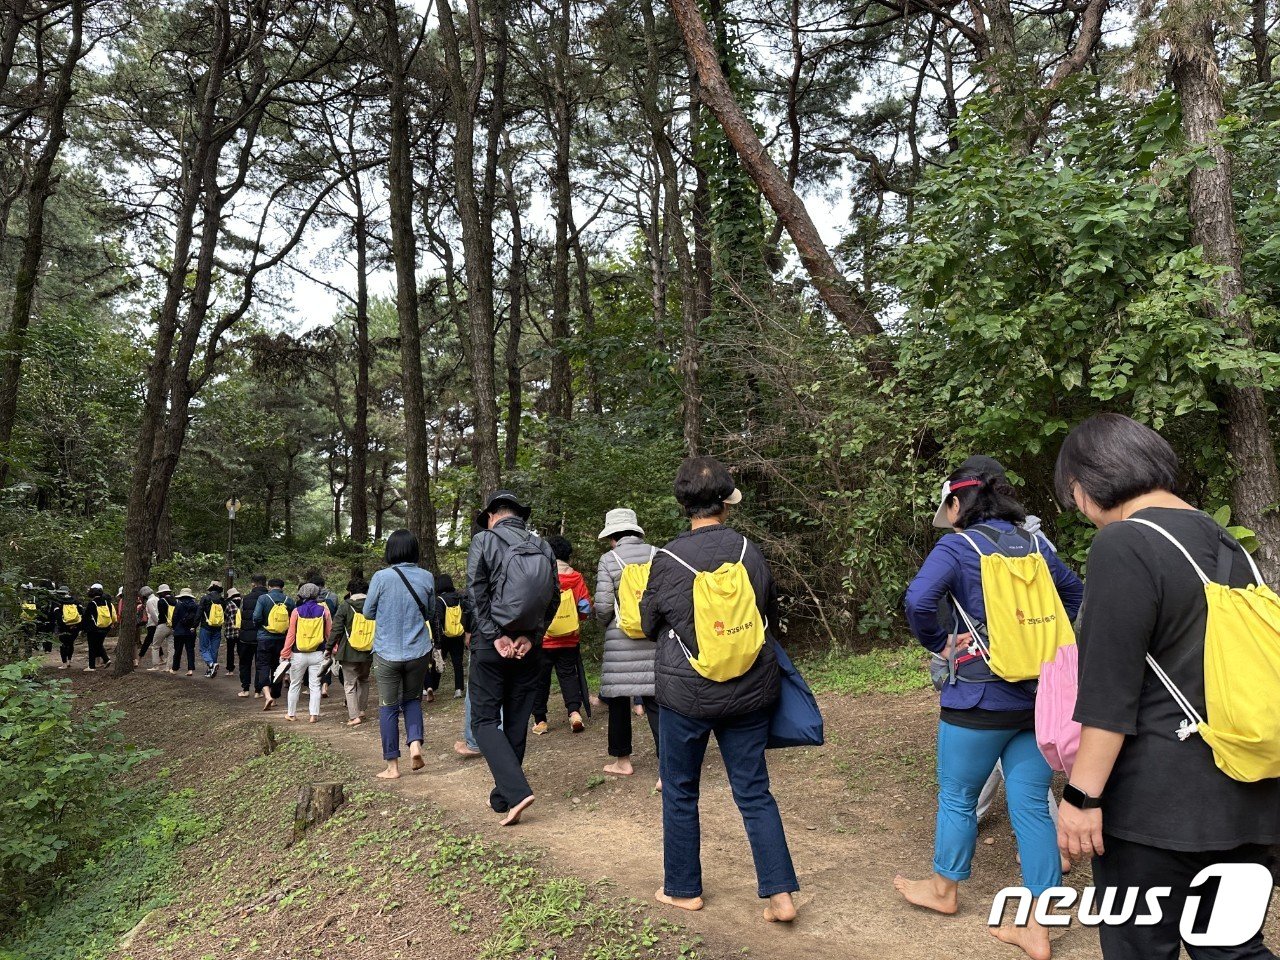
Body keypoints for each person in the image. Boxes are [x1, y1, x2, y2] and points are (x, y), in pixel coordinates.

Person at [1054, 414, 1280, 960]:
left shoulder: (1123, 544)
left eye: (1072, 496)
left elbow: (1110, 695)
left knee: (1139, 947)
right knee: (1230, 948)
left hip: (1157, 809)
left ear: (1084, 486)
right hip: (1250, 792)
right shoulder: (1226, 542)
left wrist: (1080, 798)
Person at [899, 463, 1084, 960]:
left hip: (979, 696)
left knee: (958, 796)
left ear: (958, 504)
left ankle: (944, 890)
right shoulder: (1037, 546)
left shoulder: (957, 547)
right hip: (1037, 695)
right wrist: (1040, 641)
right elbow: (1075, 592)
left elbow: (918, 600)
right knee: (1030, 803)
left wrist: (941, 642)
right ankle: (1039, 928)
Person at [640, 457, 798, 923]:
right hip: (750, 688)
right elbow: (768, 605)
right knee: (753, 791)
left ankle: (684, 889)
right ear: (726, 504)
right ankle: (781, 896)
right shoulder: (751, 550)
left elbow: (650, 623)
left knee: (681, 789)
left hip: (686, 695)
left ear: (683, 504)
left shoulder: (666, 558)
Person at [467, 490, 559, 825]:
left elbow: (476, 594)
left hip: (491, 648)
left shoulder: (485, 540)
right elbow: (554, 600)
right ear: (519, 515)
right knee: (518, 719)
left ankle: (517, 793)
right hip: (527, 648)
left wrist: (495, 637)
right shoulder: (544, 546)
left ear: (492, 514)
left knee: (484, 721)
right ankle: (504, 797)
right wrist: (529, 637)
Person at [595, 508, 661, 783]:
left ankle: (623, 761)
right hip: (654, 636)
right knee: (657, 702)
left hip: (621, 638)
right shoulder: (658, 553)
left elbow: (602, 605)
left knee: (619, 703)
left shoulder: (609, 559)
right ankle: (667, 768)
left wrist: (607, 624)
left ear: (612, 536)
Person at [364, 529, 436, 779]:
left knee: (388, 706)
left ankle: (392, 766)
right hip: (418, 650)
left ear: (390, 551)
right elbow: (430, 612)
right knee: (412, 699)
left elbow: (368, 612)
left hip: (387, 652)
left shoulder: (381, 577)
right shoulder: (426, 577)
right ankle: (415, 743)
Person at [532, 536, 592, 735]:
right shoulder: (576, 577)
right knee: (568, 675)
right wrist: (577, 619)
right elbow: (585, 607)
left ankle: (540, 720)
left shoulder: (543, 576)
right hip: (569, 637)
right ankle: (574, 713)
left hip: (544, 638)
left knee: (541, 678)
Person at [281, 583, 331, 723]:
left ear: (301, 594)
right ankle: (313, 715)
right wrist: (333, 649)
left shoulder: (296, 611)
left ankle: (291, 714)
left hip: (298, 654)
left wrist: (285, 652)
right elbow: (329, 634)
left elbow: (291, 635)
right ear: (317, 594)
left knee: (295, 684)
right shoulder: (324, 611)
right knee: (315, 685)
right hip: (318, 653)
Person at [330, 576, 373, 726]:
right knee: (364, 680)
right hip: (369, 649)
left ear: (349, 591)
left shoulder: (345, 606)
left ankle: (354, 716)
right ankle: (361, 710)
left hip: (349, 651)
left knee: (349, 684)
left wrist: (329, 648)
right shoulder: (373, 604)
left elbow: (336, 629)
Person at [254, 577, 293, 710]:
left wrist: (261, 626)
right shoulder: (289, 600)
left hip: (264, 637)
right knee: (279, 667)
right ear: (282, 587)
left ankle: (266, 695)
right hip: (282, 639)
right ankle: (275, 697)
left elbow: (257, 617)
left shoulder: (263, 599)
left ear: (269, 586)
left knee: (263, 665)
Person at [435, 573, 472, 700]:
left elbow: (438, 619)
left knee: (439, 660)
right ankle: (458, 689)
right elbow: (466, 614)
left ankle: (433, 687)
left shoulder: (439, 600)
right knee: (458, 662)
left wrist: (437, 638)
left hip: (445, 635)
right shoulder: (459, 597)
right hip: (459, 634)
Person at [237, 575, 267, 697]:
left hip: (246, 637)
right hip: (262, 636)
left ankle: (245, 689)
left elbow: (240, 615)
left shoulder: (245, 598)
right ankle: (258, 691)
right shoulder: (268, 598)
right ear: (265, 584)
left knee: (245, 663)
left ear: (253, 584)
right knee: (260, 664)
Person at [81, 584, 114, 672]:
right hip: (106, 627)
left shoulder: (92, 603)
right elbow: (111, 614)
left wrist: (84, 628)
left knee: (92, 646)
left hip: (94, 629)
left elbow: (86, 617)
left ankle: (91, 666)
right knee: (99, 644)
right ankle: (106, 659)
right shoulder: (107, 603)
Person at [169, 587, 200, 676]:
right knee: (190, 650)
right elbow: (197, 618)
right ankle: (190, 669)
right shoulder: (195, 605)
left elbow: (174, 617)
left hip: (179, 631)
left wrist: (174, 627)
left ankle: (175, 668)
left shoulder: (179, 605)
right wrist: (194, 627)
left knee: (178, 650)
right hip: (190, 631)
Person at [197, 580, 225, 678]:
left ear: (210, 589)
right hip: (217, 627)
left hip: (206, 626)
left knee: (204, 648)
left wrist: (194, 625)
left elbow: (199, 612)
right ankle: (210, 671)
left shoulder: (205, 598)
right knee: (214, 650)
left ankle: (211, 664)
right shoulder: (222, 600)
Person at [54, 585, 80, 668]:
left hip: (63, 627)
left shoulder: (58, 602)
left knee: (63, 644)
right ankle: (69, 661)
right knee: (71, 643)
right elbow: (81, 613)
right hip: (74, 626)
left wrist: (60, 625)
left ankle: (64, 663)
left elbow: (57, 616)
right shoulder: (75, 601)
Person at [149, 584, 174, 671]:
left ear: (161, 592)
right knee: (171, 648)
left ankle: (156, 666)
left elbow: (161, 614)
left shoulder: (161, 601)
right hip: (173, 626)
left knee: (155, 646)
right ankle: (169, 667)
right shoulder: (175, 600)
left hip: (163, 625)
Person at [223, 587, 242, 682]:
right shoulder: (242, 604)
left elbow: (225, 617)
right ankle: (243, 667)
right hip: (241, 631)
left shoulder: (229, 604)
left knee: (230, 651)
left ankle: (230, 670)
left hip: (230, 631)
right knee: (240, 650)